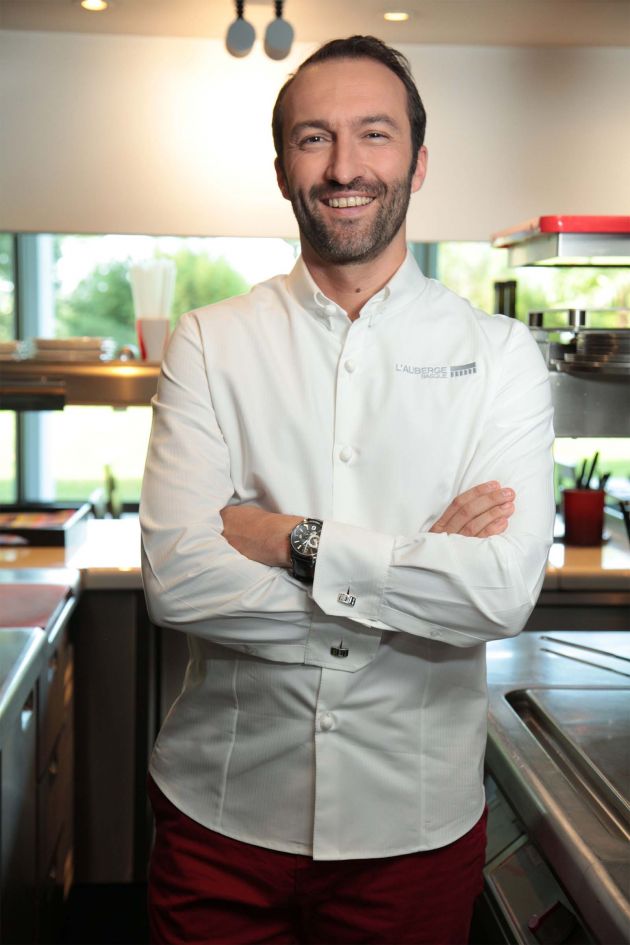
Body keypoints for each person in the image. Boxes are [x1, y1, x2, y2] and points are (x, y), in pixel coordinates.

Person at [140, 35, 555, 945]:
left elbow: (498, 593)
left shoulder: (499, 356)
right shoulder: (210, 342)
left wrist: (284, 537)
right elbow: (179, 582)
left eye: (374, 133)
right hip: (221, 816)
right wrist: (414, 585)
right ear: (283, 170)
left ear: (418, 161)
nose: (343, 167)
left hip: (413, 830)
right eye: (313, 138)